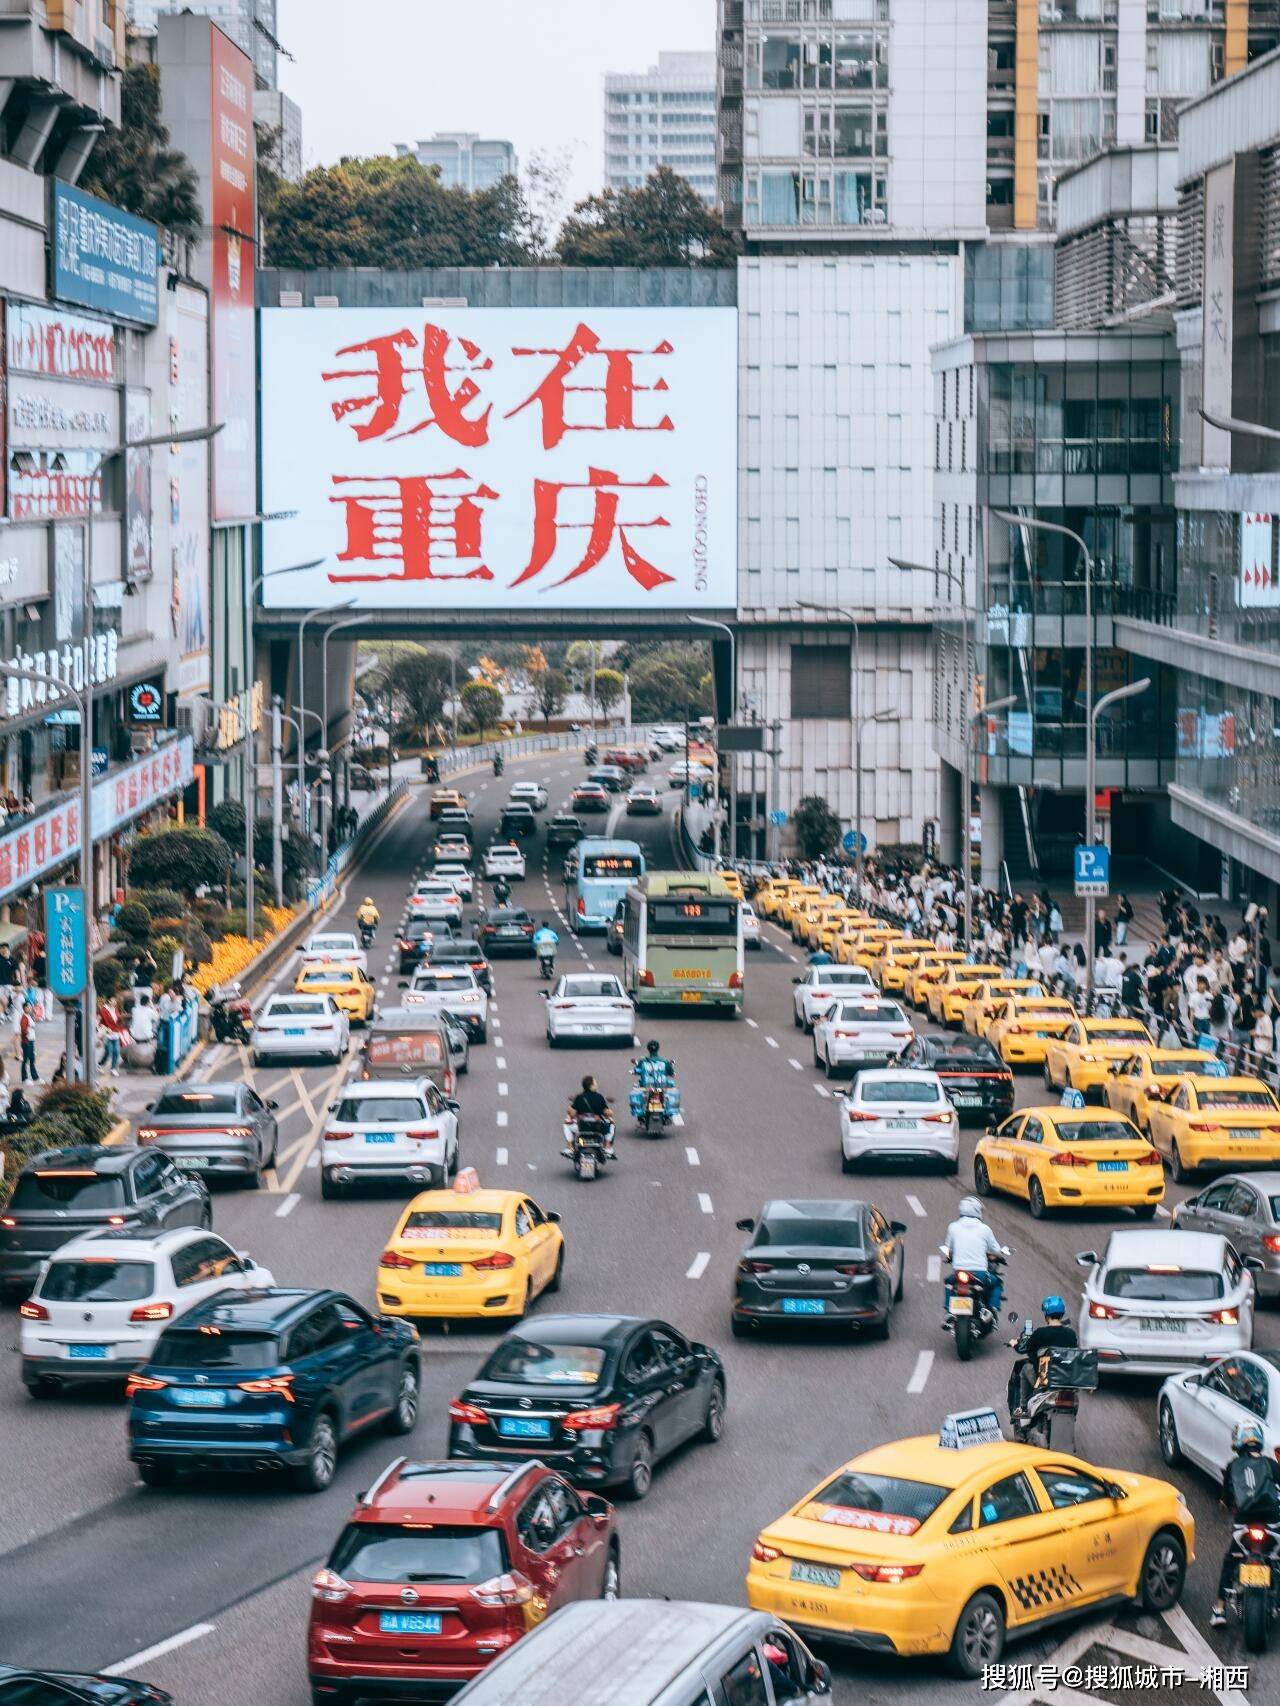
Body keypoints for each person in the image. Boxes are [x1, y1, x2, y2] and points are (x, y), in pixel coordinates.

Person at [1211, 1422, 1280, 1627]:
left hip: (1244, 1527)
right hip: (1272, 1525)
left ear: (1239, 1442)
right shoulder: (1272, 1465)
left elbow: (1225, 1500)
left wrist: (1226, 1504)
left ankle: (1220, 1610)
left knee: (1230, 1561)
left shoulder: (1233, 1466)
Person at [1007, 1296, 1078, 1420]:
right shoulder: (1071, 1334)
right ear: (1062, 1314)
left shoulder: (1040, 1333)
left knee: (1025, 1369)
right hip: (1066, 1380)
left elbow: (1022, 1349)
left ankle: (1023, 1408)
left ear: (1046, 1314)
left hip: (1045, 1378)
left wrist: (1014, 1343)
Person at [940, 1196, 1008, 1318]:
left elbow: (948, 1250)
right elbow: (996, 1250)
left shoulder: (953, 1227)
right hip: (980, 1274)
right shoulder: (985, 1229)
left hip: (959, 1272)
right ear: (977, 1211)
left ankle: (949, 1312)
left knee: (949, 1284)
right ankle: (991, 1308)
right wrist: (997, 1256)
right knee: (997, 1283)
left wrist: (949, 1257)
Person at [566, 1074, 614, 1156]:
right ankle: (607, 1146)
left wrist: (571, 1109)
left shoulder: (579, 1097)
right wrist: (610, 1114)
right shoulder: (599, 1097)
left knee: (566, 1125)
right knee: (612, 1124)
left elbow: (572, 1113)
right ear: (591, 1086)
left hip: (581, 1128)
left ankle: (570, 1147)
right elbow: (607, 1113)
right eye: (595, 1083)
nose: (596, 1085)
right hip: (597, 1128)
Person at [18, 1003, 37, 1083]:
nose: (30, 1009)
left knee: (32, 1059)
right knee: (26, 1060)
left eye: (30, 1007)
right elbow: (23, 1029)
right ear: (24, 1008)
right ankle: (24, 1078)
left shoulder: (29, 1016)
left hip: (31, 1041)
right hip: (27, 1042)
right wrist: (27, 1033)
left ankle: (35, 1077)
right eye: (28, 1007)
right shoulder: (24, 1018)